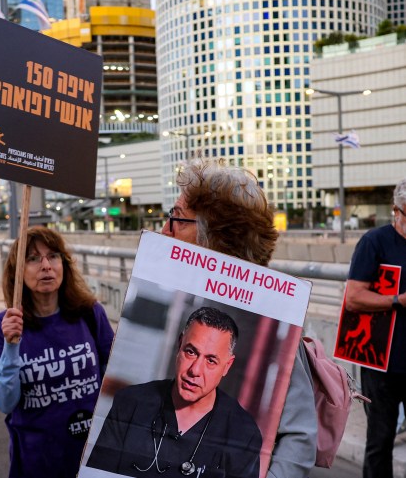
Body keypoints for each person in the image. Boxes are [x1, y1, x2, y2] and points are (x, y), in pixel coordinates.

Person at [158, 159, 317, 478]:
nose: (164, 230)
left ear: (211, 233)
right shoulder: (173, 291)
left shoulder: (271, 311)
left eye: (175, 218)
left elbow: (299, 436)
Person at [0, 226, 115, 478]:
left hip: (93, 459)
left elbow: (114, 383)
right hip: (38, 463)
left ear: (63, 264)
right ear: (17, 272)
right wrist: (11, 346)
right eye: (33, 259)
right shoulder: (3, 326)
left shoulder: (89, 314)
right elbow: (4, 402)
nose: (46, 265)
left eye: (53, 256)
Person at [88, 307, 262, 478]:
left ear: (227, 366)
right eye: (191, 352)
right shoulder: (131, 403)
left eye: (211, 360)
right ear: (179, 345)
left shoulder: (243, 434)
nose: (195, 370)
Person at [344, 178, 406, 478]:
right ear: (397, 210)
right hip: (382, 362)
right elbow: (354, 298)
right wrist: (398, 301)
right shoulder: (374, 242)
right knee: (379, 442)